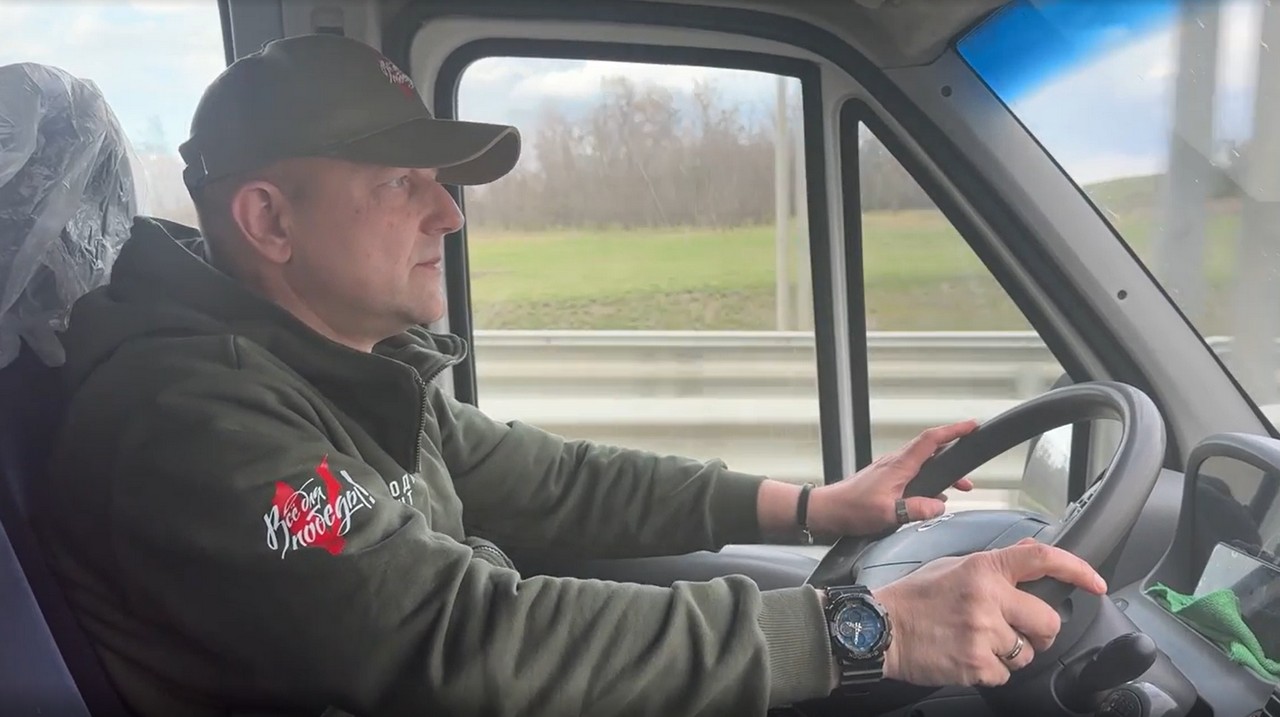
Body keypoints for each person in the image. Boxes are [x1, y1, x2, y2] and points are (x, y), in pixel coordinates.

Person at [38, 34, 1107, 717]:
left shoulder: (341, 365)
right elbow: (460, 642)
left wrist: (814, 505)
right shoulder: (186, 420)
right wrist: (868, 630)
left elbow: (551, 479)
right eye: (402, 181)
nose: (449, 215)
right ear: (269, 220)